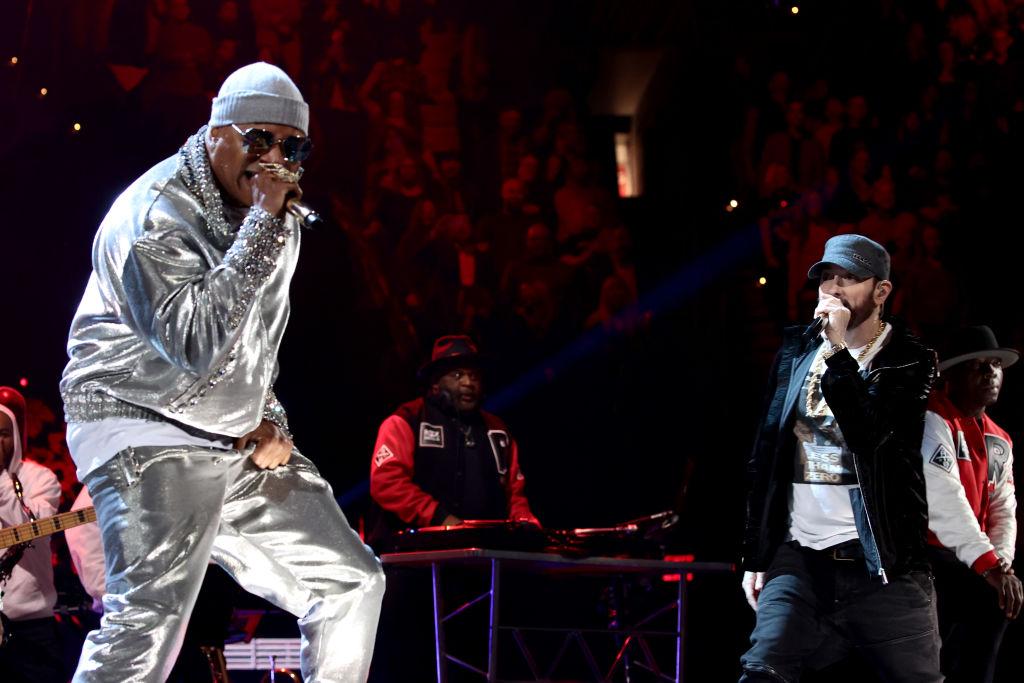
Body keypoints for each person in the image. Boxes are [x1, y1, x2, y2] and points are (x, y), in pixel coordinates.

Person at [59, 62, 384, 682]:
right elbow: (196, 341)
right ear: (215, 131)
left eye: (293, 146)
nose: (274, 159)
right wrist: (263, 224)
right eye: (257, 139)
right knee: (149, 618)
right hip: (139, 423)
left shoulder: (275, 219)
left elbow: (258, 342)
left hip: (226, 433)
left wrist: (268, 417)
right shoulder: (153, 213)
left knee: (352, 582)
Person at [740, 234, 942, 681]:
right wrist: (757, 554)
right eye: (825, 279)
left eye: (847, 278)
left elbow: (870, 436)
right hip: (800, 558)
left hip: (882, 563)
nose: (832, 290)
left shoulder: (910, 361)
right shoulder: (796, 352)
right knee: (762, 670)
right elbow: (767, 453)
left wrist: (835, 352)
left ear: (881, 291)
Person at [922, 325, 1022, 682]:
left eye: (994, 364)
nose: (989, 372)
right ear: (949, 375)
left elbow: (1002, 508)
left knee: (996, 601)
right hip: (926, 553)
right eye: (975, 365)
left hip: (968, 558)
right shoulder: (932, 418)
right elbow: (944, 500)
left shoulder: (1000, 438)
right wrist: (990, 566)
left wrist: (1002, 565)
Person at [368, 334, 537, 540]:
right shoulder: (406, 421)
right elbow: (387, 483)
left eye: (474, 376)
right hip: (414, 556)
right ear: (435, 383)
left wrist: (526, 523)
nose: (468, 383)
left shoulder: (497, 429)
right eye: (457, 375)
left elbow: (514, 493)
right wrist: (441, 517)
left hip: (484, 554)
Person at [0, 386, 63, 683]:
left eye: (2, 433)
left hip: (31, 627)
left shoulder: (41, 479)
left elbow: (30, 531)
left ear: (17, 434)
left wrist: (1, 478)